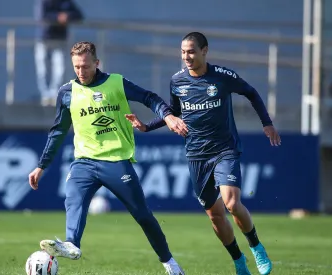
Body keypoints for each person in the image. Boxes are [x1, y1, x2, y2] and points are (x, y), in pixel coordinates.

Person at [125, 32, 280, 275]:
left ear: (204, 51)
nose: (186, 56)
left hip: (224, 149)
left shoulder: (222, 77)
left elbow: (251, 92)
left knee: (231, 203)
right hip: (196, 155)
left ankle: (256, 246)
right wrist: (146, 126)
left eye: (191, 51)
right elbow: (174, 113)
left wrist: (267, 123)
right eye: (183, 52)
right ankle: (239, 262)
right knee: (215, 215)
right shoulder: (177, 81)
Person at [28, 41, 186, 275]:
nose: (81, 72)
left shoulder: (116, 83)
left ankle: (170, 264)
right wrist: (41, 166)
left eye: (85, 66)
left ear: (97, 63)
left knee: (143, 216)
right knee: (73, 197)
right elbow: (58, 131)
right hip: (84, 161)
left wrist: (169, 116)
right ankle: (72, 243)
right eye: (76, 67)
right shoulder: (67, 92)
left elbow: (150, 97)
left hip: (116, 160)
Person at [34, 0, 84, 106]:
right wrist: (57, 17)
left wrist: (67, 16)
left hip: (60, 40)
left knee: (60, 69)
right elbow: (42, 16)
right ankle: (46, 96)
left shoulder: (65, 2)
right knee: (43, 70)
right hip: (44, 39)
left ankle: (54, 95)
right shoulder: (43, 1)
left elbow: (79, 15)